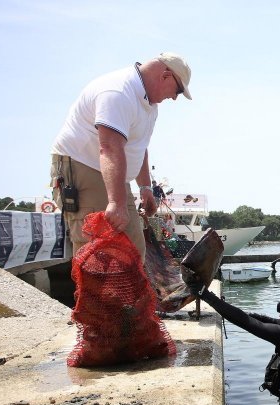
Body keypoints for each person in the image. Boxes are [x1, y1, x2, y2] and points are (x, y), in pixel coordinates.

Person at [50, 52, 192, 259]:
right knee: (97, 253)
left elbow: (139, 146)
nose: (174, 97)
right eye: (177, 90)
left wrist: (145, 188)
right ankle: (97, 293)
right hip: (83, 166)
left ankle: (129, 292)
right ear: (165, 76)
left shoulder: (150, 106)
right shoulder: (118, 92)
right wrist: (116, 203)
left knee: (134, 249)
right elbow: (109, 147)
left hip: (114, 172)